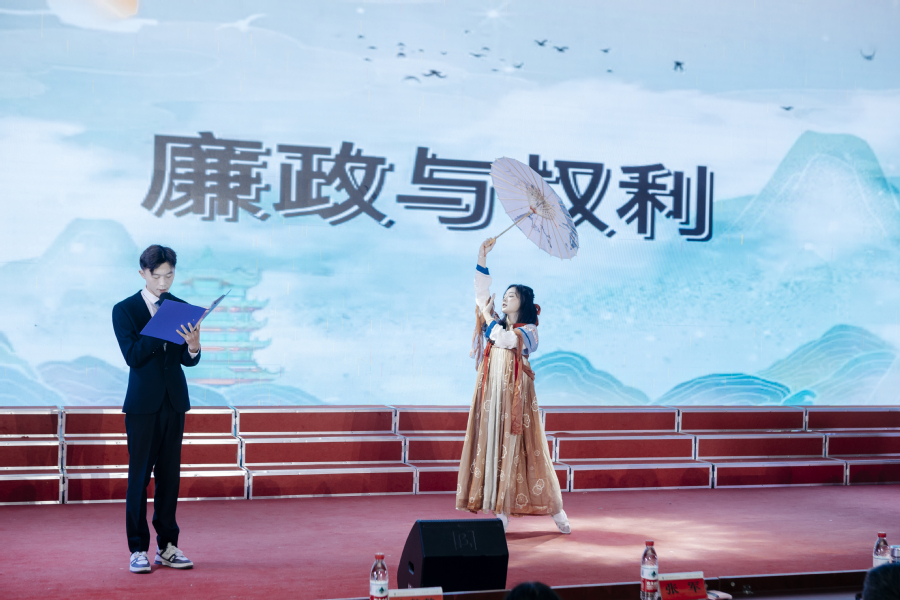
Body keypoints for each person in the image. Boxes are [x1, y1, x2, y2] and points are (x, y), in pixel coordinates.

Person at [456, 238, 570, 534]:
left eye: (511, 296)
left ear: (524, 303)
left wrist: (487, 317)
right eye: (504, 295)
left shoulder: (528, 331)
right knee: (494, 445)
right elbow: (482, 297)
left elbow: (505, 341)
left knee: (527, 448)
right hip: (494, 396)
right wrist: (482, 257)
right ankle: (499, 509)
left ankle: (556, 509)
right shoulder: (495, 323)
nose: (505, 299)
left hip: (517, 398)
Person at [111, 245, 202, 574]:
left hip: (174, 402)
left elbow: (185, 361)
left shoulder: (180, 307)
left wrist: (193, 348)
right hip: (142, 405)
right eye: (157, 276)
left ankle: (168, 546)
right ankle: (137, 549)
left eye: (169, 275)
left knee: (169, 476)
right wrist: (160, 326)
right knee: (139, 477)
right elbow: (133, 356)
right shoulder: (125, 310)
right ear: (143, 274)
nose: (164, 282)